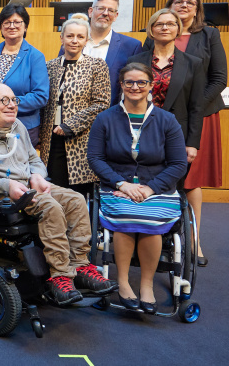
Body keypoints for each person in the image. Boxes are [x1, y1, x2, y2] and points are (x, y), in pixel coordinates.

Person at [0, 83, 118, 305]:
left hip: (27, 184)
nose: (12, 105)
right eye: (4, 101)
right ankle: (60, 276)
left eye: (14, 100)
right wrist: (5, 184)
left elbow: (33, 160)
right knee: (50, 206)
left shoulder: (17, 126)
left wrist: (37, 175)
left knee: (76, 200)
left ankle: (79, 265)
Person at [88, 62, 188, 314]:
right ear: (121, 85)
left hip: (157, 188)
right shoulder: (105, 119)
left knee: (150, 218)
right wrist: (121, 183)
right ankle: (122, 283)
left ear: (150, 86)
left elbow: (178, 164)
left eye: (141, 82)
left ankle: (146, 285)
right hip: (116, 186)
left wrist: (150, 189)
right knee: (126, 215)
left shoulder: (167, 121)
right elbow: (95, 159)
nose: (135, 87)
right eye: (129, 82)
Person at [153, 0, 227, 266]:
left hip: (200, 116)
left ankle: (193, 240)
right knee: (158, 171)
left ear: (197, 10)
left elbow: (219, 78)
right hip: (159, 117)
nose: (184, 6)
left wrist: (191, 105)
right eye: (178, 2)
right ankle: (159, 235)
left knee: (191, 178)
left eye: (190, 3)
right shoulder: (156, 35)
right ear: (169, 7)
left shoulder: (208, 35)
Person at [39, 18, 110, 196]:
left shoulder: (97, 66)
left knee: (79, 192)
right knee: (54, 189)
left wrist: (71, 125)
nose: (74, 40)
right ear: (61, 38)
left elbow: (102, 103)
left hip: (82, 140)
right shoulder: (49, 66)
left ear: (86, 40)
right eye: (70, 36)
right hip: (52, 139)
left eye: (80, 36)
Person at [128, 9, 204, 167]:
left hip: (176, 133)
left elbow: (196, 107)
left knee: (172, 184)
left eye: (170, 24)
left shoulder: (193, 63)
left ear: (178, 29)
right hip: (139, 131)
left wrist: (192, 143)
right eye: (159, 24)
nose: (165, 28)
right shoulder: (135, 61)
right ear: (151, 29)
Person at [0, 4, 49, 147]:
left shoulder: (35, 57)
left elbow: (40, 96)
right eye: (7, 22)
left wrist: (4, 105)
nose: (12, 26)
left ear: (25, 26)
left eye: (17, 22)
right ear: (1, 27)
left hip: (21, 126)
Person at [58, 0, 142, 106]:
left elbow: (133, 85)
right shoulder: (72, 42)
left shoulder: (131, 46)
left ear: (116, 16)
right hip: (71, 115)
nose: (105, 13)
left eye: (111, 10)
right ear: (90, 11)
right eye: (101, 8)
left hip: (110, 116)